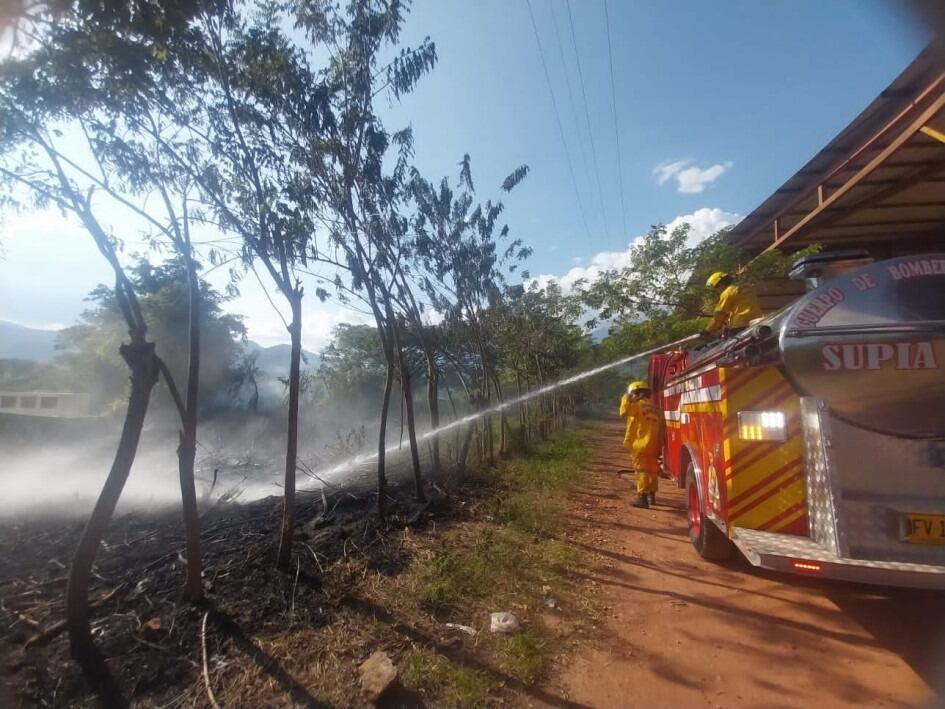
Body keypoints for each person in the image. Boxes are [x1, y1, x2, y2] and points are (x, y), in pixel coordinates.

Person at [619, 380, 666, 508]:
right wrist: (660, 446)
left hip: (640, 444)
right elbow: (662, 429)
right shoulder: (657, 409)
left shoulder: (637, 406)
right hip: (654, 445)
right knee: (652, 470)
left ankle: (642, 498)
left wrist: (625, 397)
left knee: (641, 470)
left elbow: (623, 412)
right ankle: (652, 496)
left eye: (632, 394)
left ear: (636, 393)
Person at [702, 271, 762, 338]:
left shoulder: (727, 293)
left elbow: (719, 315)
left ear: (721, 285)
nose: (716, 290)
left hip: (740, 326)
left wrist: (708, 330)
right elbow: (741, 307)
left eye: (716, 288)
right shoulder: (745, 289)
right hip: (758, 321)